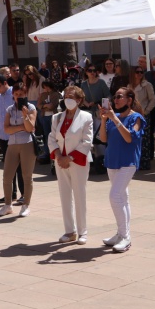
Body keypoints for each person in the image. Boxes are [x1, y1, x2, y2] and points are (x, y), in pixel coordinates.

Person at [97, 86, 145, 252]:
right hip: (112, 161)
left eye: (119, 97)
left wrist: (114, 119)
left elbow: (129, 138)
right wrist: (104, 119)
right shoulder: (113, 116)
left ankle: (125, 237)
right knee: (123, 197)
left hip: (128, 162)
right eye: (114, 97)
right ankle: (121, 233)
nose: (115, 100)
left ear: (129, 100)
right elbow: (103, 139)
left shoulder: (136, 118)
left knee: (115, 196)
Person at [49, 85, 93, 243]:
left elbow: (87, 142)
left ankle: (83, 232)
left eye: (72, 97)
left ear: (79, 100)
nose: (68, 99)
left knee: (80, 195)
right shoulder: (57, 117)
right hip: (60, 161)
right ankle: (70, 231)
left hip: (78, 161)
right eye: (66, 96)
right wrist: (59, 156)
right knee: (65, 195)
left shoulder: (86, 117)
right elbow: (52, 138)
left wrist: (70, 158)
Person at [0, 81, 37, 217]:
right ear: (13, 95)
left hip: (27, 144)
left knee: (27, 176)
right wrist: (21, 127)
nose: (18, 97)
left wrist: (25, 115)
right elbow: (6, 129)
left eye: (21, 94)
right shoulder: (10, 109)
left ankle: (26, 204)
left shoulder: (31, 108)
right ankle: (8, 204)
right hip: (12, 145)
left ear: (25, 94)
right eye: (16, 94)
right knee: (7, 176)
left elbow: (30, 128)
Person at [129, 65, 155, 170]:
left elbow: (153, 99)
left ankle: (144, 162)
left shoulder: (147, 85)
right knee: (133, 138)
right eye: (137, 72)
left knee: (144, 139)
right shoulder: (129, 86)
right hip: (132, 115)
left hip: (143, 115)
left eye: (141, 72)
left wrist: (145, 111)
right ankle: (135, 162)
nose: (140, 74)